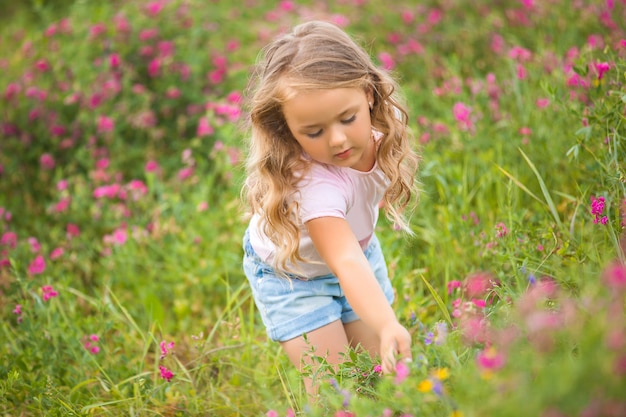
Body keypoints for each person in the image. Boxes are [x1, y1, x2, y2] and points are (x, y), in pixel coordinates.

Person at [241, 20, 419, 397]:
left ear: (369, 94)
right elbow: (345, 262)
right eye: (314, 132)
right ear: (288, 129)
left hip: (358, 254)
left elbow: (363, 199)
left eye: (347, 118)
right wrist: (387, 323)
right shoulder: (315, 188)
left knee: (381, 380)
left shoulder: (383, 131)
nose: (337, 140)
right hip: (294, 277)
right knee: (335, 391)